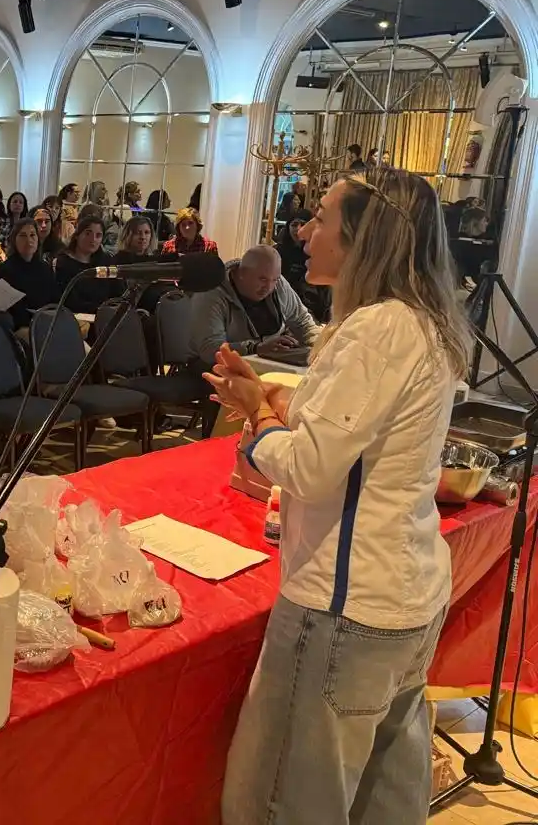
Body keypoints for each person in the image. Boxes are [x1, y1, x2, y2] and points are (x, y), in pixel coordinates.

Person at [210, 168, 468, 825]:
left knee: (280, 804)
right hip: (405, 603)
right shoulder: (423, 322)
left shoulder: (376, 328)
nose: (306, 231)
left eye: (322, 218)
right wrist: (267, 394)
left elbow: (312, 467)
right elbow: (354, 427)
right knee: (383, 797)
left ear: (361, 240)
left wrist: (258, 426)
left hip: (341, 610)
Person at [190, 245, 319, 365]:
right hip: (216, 370)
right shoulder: (211, 293)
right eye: (262, 279)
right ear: (241, 274)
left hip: (267, 365)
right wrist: (255, 348)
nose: (269, 287)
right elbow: (210, 349)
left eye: (275, 280)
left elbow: (302, 322)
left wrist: (321, 345)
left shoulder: (278, 283)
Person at [0, 218, 59, 327]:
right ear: (14, 240)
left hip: (45, 325)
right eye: (23, 236)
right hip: (17, 328)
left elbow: (54, 301)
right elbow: (5, 310)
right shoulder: (4, 270)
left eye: (32, 235)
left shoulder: (45, 269)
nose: (29, 240)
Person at [53, 213, 116, 314]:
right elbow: (66, 299)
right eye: (88, 233)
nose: (93, 239)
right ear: (77, 235)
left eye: (98, 235)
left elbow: (116, 292)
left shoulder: (107, 261)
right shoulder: (63, 262)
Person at [277, 209, 331, 322]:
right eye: (294, 224)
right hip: (283, 305)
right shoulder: (278, 251)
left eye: (303, 224)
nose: (298, 229)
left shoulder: (317, 252)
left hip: (311, 308)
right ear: (288, 227)